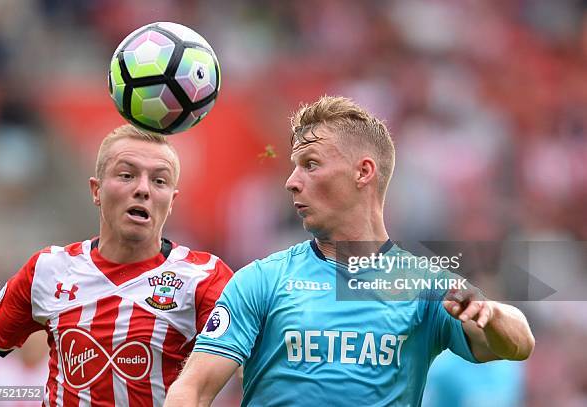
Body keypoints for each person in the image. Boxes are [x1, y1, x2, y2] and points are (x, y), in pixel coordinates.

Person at [164, 96, 535, 406]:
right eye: (294, 167)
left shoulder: (426, 286)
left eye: (310, 165)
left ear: (363, 172)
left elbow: (519, 344)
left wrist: (490, 313)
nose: (291, 182)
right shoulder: (262, 280)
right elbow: (192, 389)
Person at [0, 124, 234, 406]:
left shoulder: (204, 277)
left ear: (172, 201)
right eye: (127, 175)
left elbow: (254, 366)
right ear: (96, 190)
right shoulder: (48, 270)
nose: (143, 189)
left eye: (159, 181)